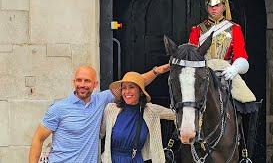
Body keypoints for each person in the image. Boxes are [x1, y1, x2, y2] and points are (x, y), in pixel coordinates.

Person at [29, 64, 170, 163]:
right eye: (79, 80)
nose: (82, 84)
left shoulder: (101, 100)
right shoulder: (58, 108)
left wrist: (157, 71)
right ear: (73, 82)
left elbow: (134, 83)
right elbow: (38, 139)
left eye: (87, 81)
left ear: (95, 84)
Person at [188, 0, 260, 159]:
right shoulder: (197, 30)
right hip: (203, 72)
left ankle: (244, 149)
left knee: (247, 103)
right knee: (185, 102)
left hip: (227, 71)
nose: (214, 9)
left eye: (217, 5)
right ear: (207, 6)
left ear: (223, 6)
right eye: (211, 5)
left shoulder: (234, 28)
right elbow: (191, 54)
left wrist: (234, 68)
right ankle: (173, 144)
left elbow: (242, 56)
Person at [100, 72, 175, 163]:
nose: (127, 92)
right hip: (113, 159)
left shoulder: (150, 110)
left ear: (140, 91)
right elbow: (100, 134)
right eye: (124, 88)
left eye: (131, 87)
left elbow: (178, 115)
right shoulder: (111, 109)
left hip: (136, 159)